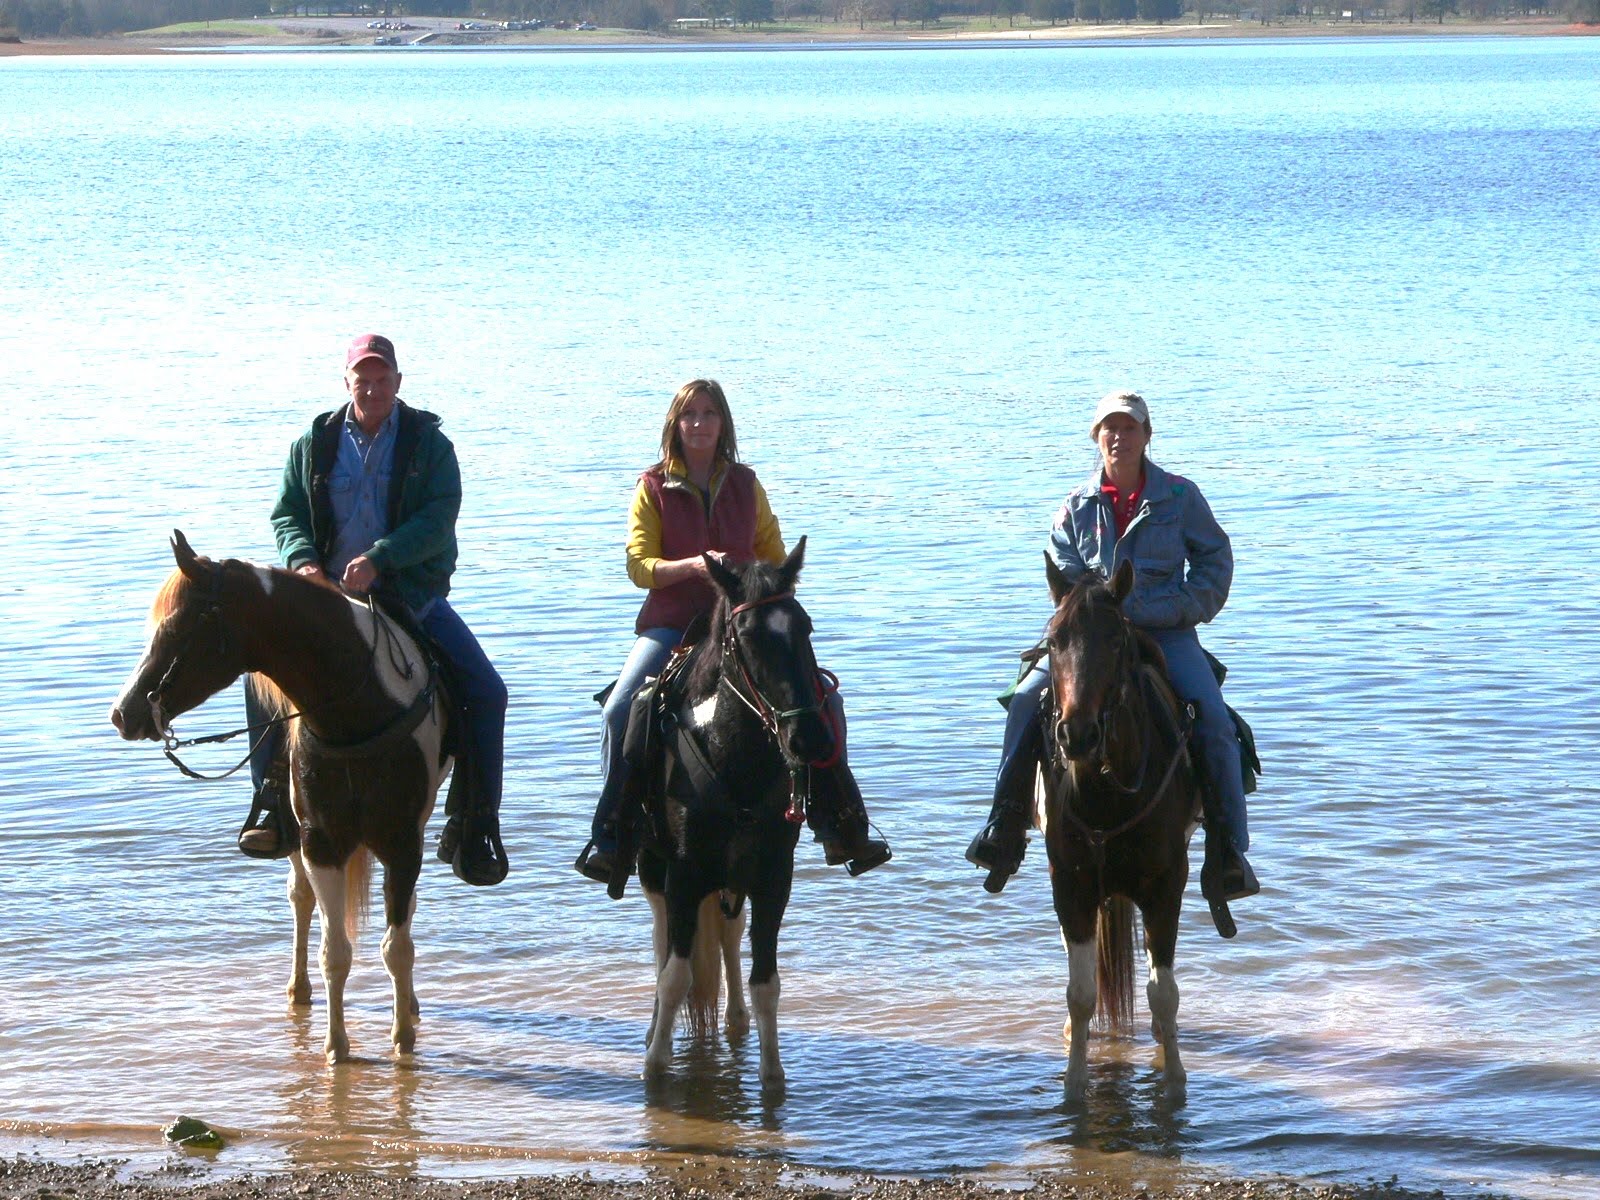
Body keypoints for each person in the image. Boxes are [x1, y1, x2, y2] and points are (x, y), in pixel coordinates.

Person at [576, 378, 890, 884]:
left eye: (709, 414)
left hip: (745, 625)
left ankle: (842, 823)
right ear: (674, 426)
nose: (699, 424)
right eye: (689, 415)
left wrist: (764, 593)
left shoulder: (746, 484)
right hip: (674, 626)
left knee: (822, 699)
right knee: (621, 708)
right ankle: (613, 833)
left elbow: (772, 552)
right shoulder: (652, 486)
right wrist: (695, 568)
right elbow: (639, 565)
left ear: (723, 424)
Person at [965, 389, 1259, 904]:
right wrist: (1095, 612)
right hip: (1090, 638)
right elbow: (1065, 575)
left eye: (1129, 428)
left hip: (1165, 632)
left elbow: (1215, 564)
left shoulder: (1181, 498)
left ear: (1147, 436)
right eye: (1110, 429)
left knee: (1212, 717)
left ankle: (1228, 850)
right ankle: (1004, 828)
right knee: (1024, 704)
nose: (1118, 437)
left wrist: (1176, 608)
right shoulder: (1074, 508)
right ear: (1097, 439)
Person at [237, 333, 510, 887]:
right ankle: (272, 804)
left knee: (486, 691)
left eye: (382, 377)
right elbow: (286, 514)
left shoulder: (430, 445)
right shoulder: (313, 442)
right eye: (362, 377)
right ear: (346, 383)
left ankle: (474, 822)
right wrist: (305, 562)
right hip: (325, 600)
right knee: (257, 677)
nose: (373, 386)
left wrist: (382, 559)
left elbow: (439, 519)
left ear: (398, 382)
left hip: (406, 594)